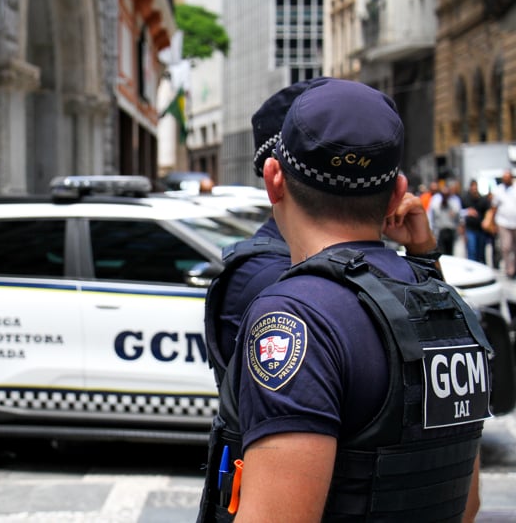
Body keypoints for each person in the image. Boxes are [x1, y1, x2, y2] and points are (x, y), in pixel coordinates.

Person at [197, 79, 476, 521]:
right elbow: (466, 504)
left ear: (274, 179)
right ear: (397, 190)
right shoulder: (448, 308)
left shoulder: (296, 318)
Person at [491, 169, 516, 278]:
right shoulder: (498, 190)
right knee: (506, 247)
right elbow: (494, 208)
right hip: (504, 222)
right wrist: (493, 223)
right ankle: (509, 270)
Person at [461, 178, 492, 263]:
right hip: (470, 228)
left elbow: (489, 211)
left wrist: (486, 220)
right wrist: (467, 212)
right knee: (472, 250)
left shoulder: (483, 199)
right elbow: (459, 212)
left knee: (481, 251)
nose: (474, 189)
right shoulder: (465, 198)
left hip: (481, 229)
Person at [428, 180, 462, 255]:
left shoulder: (454, 201)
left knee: (450, 253)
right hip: (440, 231)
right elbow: (431, 216)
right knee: (441, 253)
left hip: (451, 231)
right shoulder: (435, 200)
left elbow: (458, 215)